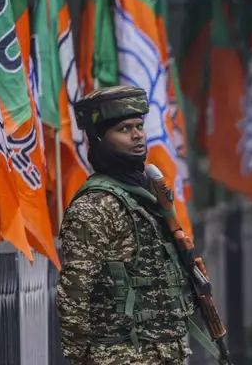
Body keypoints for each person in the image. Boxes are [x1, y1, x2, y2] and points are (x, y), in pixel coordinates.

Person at [56, 86, 196, 365]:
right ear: (98, 139)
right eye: (124, 129)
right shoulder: (95, 205)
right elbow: (74, 294)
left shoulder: (146, 193)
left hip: (166, 352)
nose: (137, 135)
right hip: (121, 355)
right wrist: (80, 357)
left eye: (139, 126)